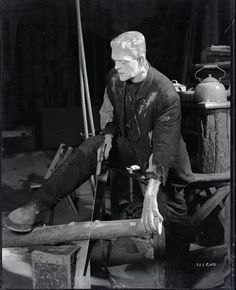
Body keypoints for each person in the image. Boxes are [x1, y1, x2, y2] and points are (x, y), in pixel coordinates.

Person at [6, 31, 195, 287]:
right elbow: (112, 113)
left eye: (121, 61)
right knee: (90, 147)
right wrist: (106, 136)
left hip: (166, 166)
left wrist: (151, 193)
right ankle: (40, 205)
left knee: (173, 222)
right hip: (131, 148)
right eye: (114, 60)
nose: (115, 66)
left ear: (140, 59)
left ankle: (179, 275)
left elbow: (164, 147)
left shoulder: (165, 94)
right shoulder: (116, 79)